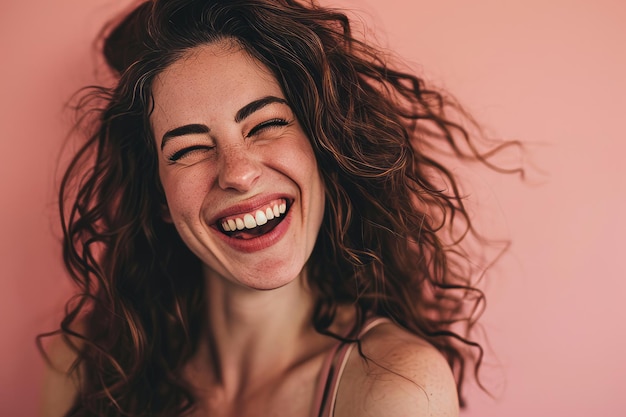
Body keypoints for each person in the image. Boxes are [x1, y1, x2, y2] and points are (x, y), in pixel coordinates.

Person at [38, 0, 519, 416]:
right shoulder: (82, 365)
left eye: (265, 124)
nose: (238, 172)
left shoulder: (394, 387)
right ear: (159, 198)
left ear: (322, 148)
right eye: (187, 150)